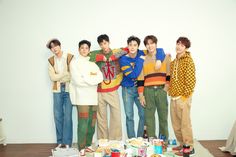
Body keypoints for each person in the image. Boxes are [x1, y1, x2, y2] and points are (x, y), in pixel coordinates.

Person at [89, 34, 126, 140]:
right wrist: (101, 57)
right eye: (101, 44)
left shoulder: (115, 52)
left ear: (109, 42)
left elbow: (126, 49)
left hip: (113, 90)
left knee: (116, 116)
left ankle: (115, 141)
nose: (104, 46)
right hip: (100, 90)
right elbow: (87, 56)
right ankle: (103, 141)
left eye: (105, 43)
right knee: (101, 118)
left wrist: (113, 57)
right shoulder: (96, 53)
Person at [69, 40, 103, 153]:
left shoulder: (92, 64)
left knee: (92, 124)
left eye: (86, 48)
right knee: (83, 124)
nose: (84, 50)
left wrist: (86, 78)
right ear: (79, 49)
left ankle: (88, 145)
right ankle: (81, 148)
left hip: (93, 98)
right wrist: (91, 80)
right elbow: (77, 81)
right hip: (81, 97)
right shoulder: (74, 63)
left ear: (89, 50)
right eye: (82, 48)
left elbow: (99, 78)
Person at [137, 35, 170, 142]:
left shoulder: (164, 57)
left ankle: (163, 141)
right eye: (147, 44)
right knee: (149, 118)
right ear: (145, 46)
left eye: (152, 43)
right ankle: (152, 141)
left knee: (163, 117)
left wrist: (166, 88)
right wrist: (141, 95)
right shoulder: (143, 59)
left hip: (161, 90)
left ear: (156, 44)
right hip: (148, 91)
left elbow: (169, 74)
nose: (150, 46)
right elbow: (140, 78)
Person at [168, 37, 196, 156]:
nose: (179, 46)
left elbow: (191, 81)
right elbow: (171, 79)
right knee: (176, 124)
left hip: (183, 98)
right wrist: (170, 92)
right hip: (173, 97)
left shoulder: (188, 60)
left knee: (185, 124)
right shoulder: (174, 62)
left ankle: (189, 147)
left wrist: (185, 97)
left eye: (182, 45)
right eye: (178, 44)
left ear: (186, 48)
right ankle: (181, 144)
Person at [47, 38, 73, 148]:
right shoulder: (51, 60)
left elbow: (72, 75)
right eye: (52, 47)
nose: (54, 48)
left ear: (60, 45)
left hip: (68, 89)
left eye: (55, 46)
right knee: (58, 115)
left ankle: (67, 142)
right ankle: (60, 141)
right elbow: (52, 77)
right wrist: (64, 74)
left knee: (67, 116)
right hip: (57, 89)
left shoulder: (69, 57)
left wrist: (60, 76)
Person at [119, 36, 145, 138]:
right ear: (127, 46)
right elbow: (133, 75)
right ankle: (131, 140)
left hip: (140, 90)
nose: (132, 47)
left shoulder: (142, 53)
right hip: (127, 89)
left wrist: (164, 56)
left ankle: (140, 138)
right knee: (129, 116)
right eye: (130, 45)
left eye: (135, 45)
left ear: (138, 46)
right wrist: (140, 60)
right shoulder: (123, 59)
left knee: (143, 115)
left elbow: (158, 51)